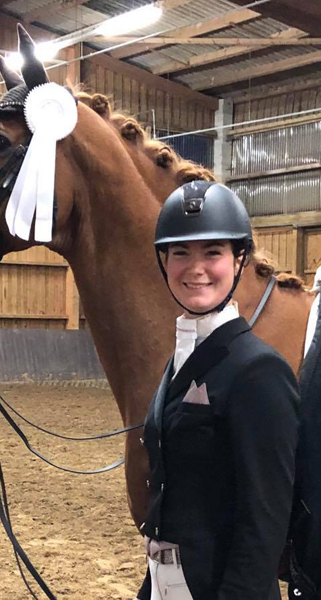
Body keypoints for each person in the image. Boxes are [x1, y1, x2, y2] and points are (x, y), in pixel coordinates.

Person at [136, 180, 299, 600]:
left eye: (213, 252)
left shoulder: (258, 371)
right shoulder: (180, 358)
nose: (196, 268)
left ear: (238, 259)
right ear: (164, 262)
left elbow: (264, 522)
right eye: (181, 253)